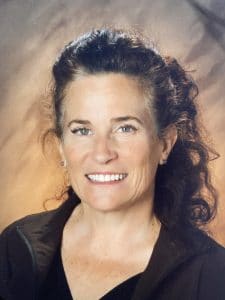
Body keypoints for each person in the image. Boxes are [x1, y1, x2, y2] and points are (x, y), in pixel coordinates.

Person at [0, 28, 225, 300]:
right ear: (61, 145)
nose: (102, 153)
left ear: (164, 144)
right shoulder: (15, 247)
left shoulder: (212, 275)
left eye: (125, 128)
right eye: (82, 130)